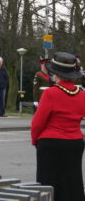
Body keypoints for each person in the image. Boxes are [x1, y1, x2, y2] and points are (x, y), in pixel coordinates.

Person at [31, 52, 85, 201]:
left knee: (48, 184)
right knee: (72, 183)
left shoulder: (50, 93)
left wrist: (36, 141)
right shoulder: (81, 94)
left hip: (51, 144)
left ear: (56, 73)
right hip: (75, 143)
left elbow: (37, 123)